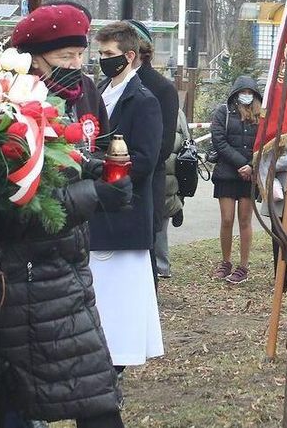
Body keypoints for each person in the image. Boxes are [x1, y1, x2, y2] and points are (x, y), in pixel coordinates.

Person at [0, 3, 128, 428]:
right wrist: (92, 195)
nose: (76, 66)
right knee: (39, 398)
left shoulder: (83, 91)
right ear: (31, 57)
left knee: (83, 394)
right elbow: (14, 203)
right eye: (65, 58)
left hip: (63, 270)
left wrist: (99, 172)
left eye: (80, 55)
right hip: (17, 280)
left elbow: (79, 152)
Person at [92, 21, 165, 368]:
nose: (102, 60)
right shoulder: (98, 92)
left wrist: (104, 174)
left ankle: (117, 366)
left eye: (109, 54)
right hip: (96, 211)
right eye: (100, 53)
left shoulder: (143, 100)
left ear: (130, 56)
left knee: (119, 304)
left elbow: (146, 159)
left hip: (125, 212)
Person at [128, 20, 180, 281]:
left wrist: (125, 167)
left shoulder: (162, 88)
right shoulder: (105, 85)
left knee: (144, 258)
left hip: (146, 185)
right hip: (113, 187)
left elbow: (163, 146)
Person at [209, 75, 262, 284]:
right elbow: (219, 140)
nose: (246, 96)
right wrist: (241, 163)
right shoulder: (224, 112)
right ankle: (226, 261)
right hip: (227, 173)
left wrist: (251, 165)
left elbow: (264, 141)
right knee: (227, 219)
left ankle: (243, 266)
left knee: (245, 220)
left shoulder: (261, 115)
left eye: (250, 93)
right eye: (243, 92)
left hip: (250, 175)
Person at [159, 109, 191, 278]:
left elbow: (187, 141)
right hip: (169, 170)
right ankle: (161, 266)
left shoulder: (177, 113)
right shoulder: (176, 111)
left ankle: (161, 266)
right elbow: (187, 140)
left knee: (160, 221)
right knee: (161, 222)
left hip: (167, 170)